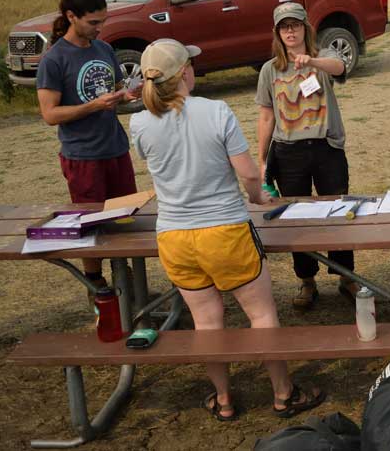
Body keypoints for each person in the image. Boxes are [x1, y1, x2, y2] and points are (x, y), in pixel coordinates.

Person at [130, 39, 324, 421]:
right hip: (224, 230)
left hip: (173, 236)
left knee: (206, 322)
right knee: (262, 315)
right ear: (185, 72)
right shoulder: (216, 111)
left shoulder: (138, 121)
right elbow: (250, 173)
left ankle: (223, 400)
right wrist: (258, 197)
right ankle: (284, 394)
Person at [36, 0, 138, 295]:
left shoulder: (104, 49)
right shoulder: (54, 60)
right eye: (93, 22)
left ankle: (130, 284)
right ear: (71, 16)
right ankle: (98, 285)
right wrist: (92, 106)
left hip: (116, 149)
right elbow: (50, 114)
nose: (100, 28)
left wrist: (127, 95)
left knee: (125, 221)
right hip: (83, 157)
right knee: (90, 225)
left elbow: (115, 91)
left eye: (102, 21)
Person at [256, 2, 358, 310]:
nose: (290, 31)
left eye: (295, 25)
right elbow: (265, 116)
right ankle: (306, 280)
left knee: (339, 211)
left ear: (305, 28)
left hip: (326, 148)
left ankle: (346, 276)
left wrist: (311, 60)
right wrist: (261, 159)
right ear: (277, 32)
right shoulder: (269, 70)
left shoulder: (324, 57)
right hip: (288, 152)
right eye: (284, 27)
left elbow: (340, 67)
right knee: (295, 218)